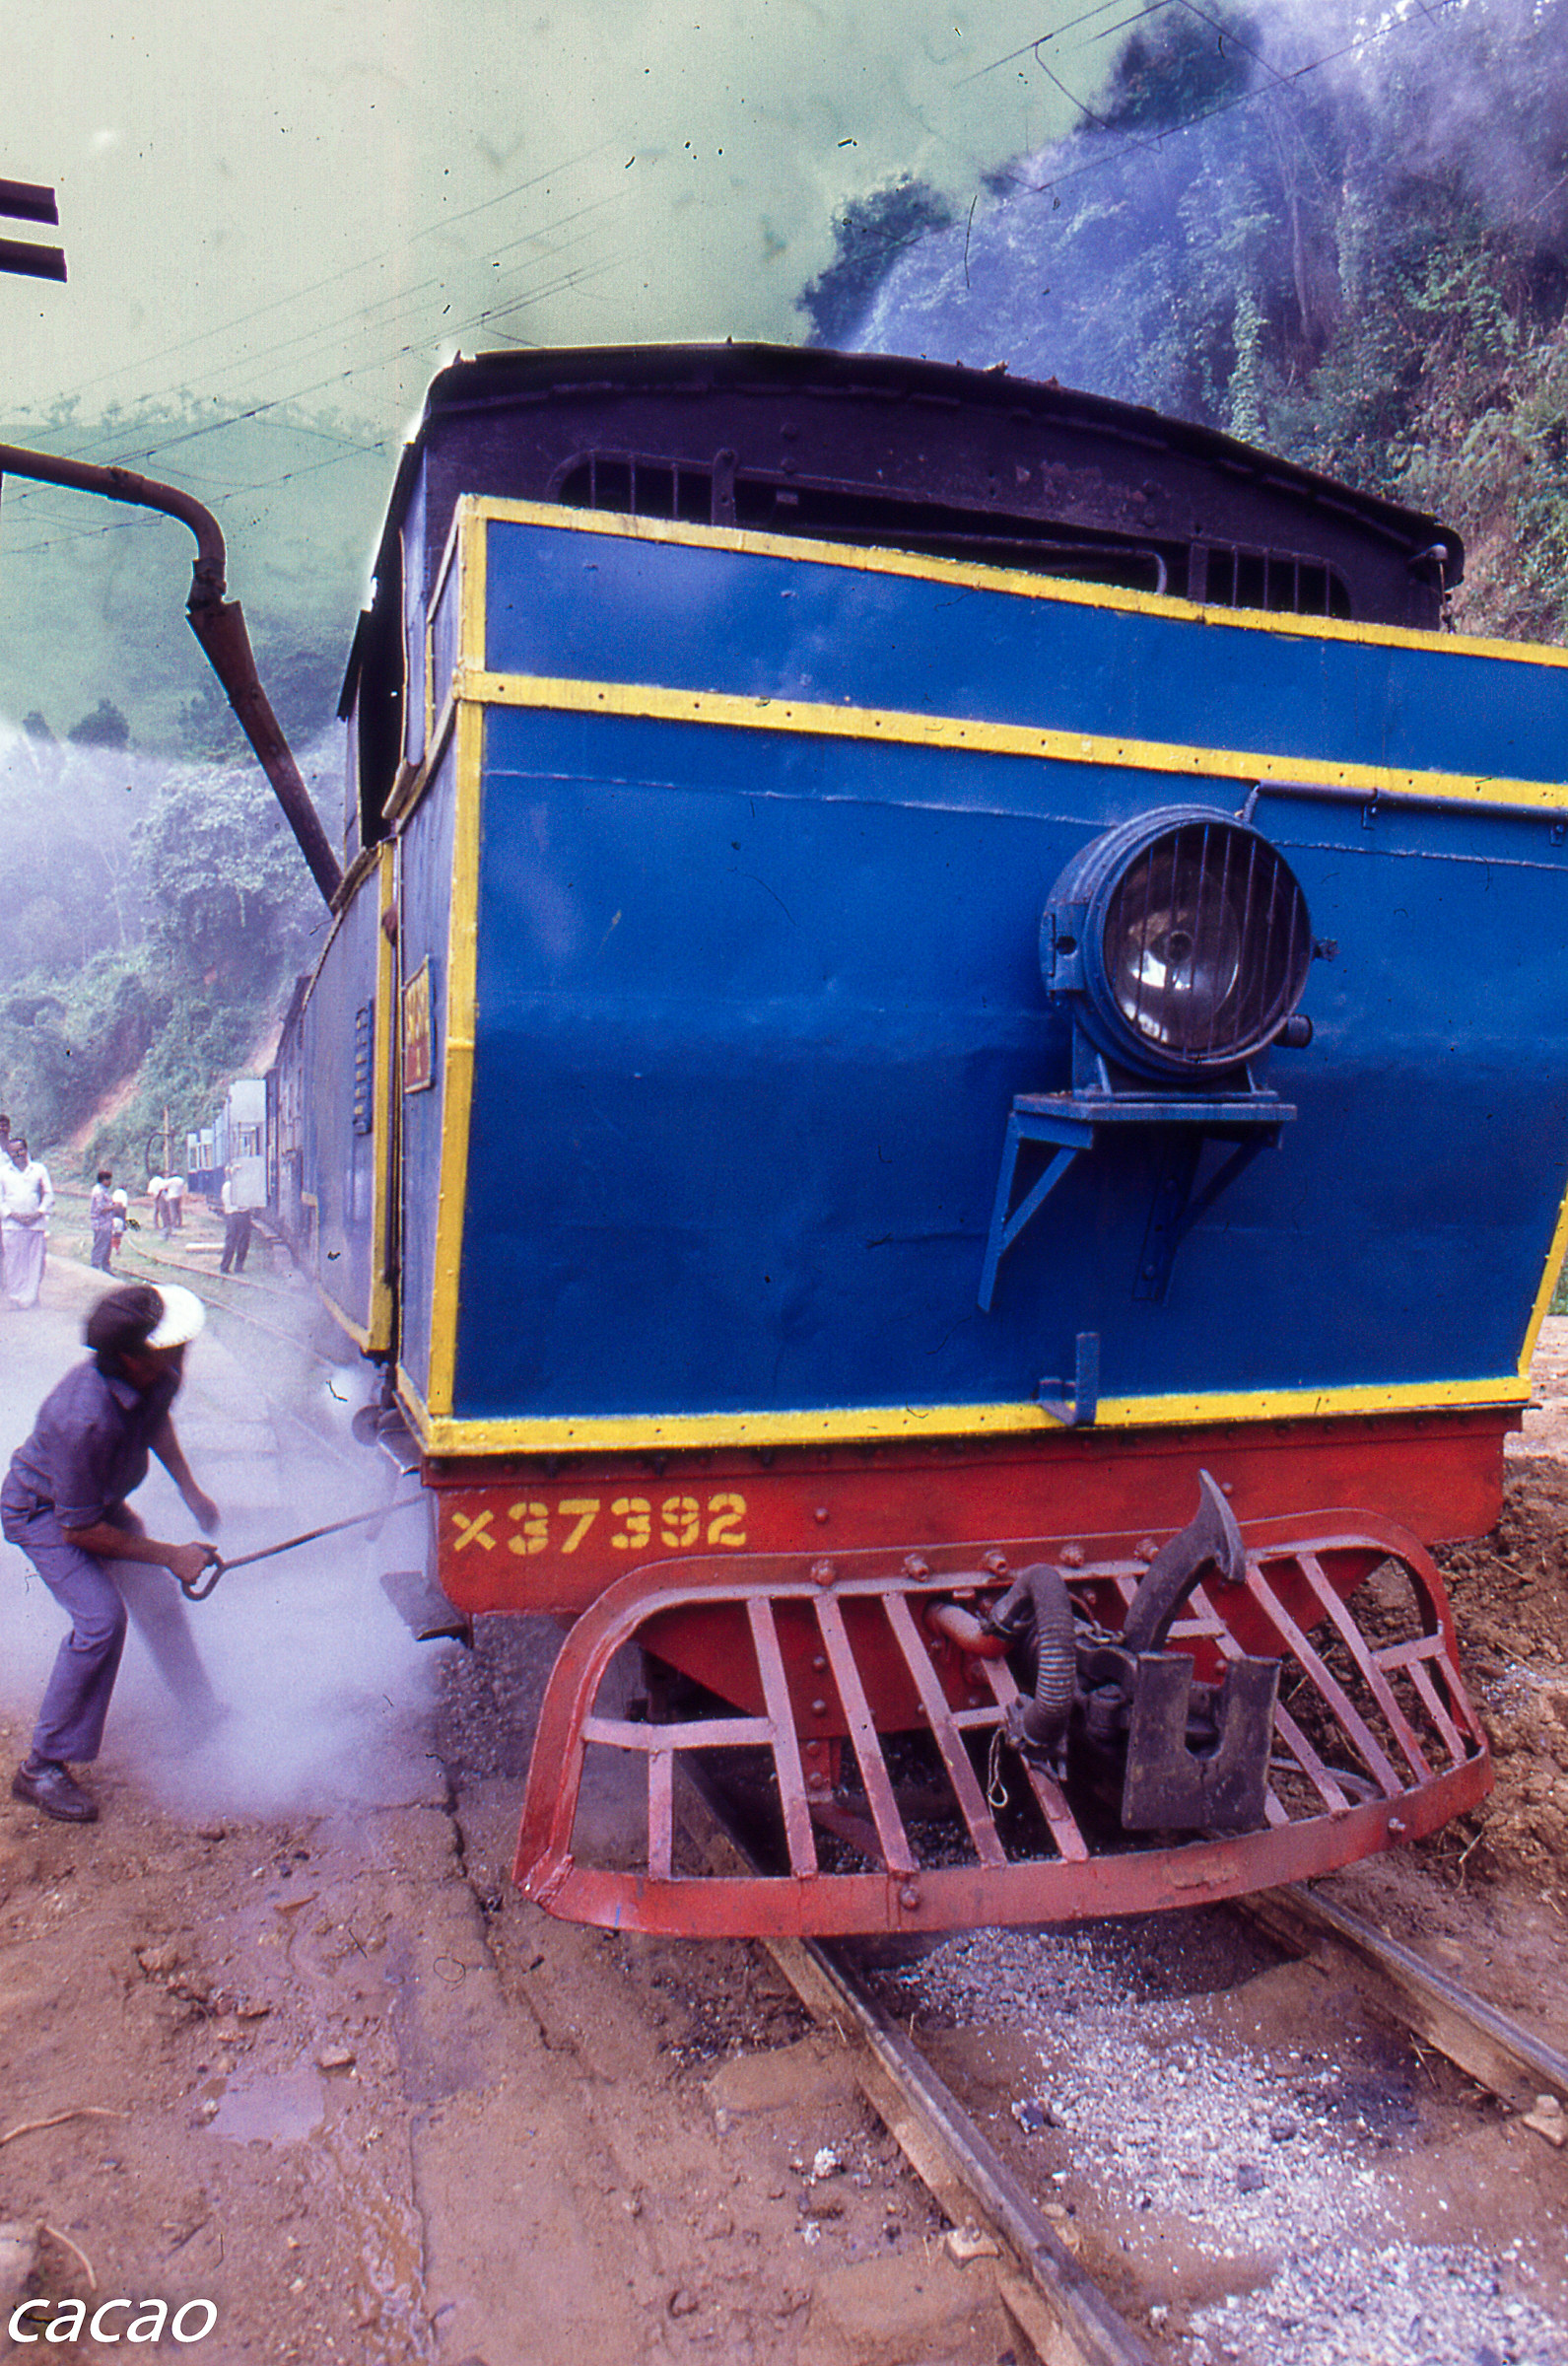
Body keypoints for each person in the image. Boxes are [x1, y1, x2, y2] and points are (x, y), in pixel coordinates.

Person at [2, 1283, 223, 1824]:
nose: (181, 1355)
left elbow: (156, 1423)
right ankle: (40, 1768)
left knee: (158, 1601)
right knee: (101, 1621)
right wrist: (172, 1554)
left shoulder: (157, 1375)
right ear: (129, 1356)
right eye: (170, 1348)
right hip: (47, 1513)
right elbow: (78, 1531)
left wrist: (189, 1490)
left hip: (96, 1505)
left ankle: (202, 1713)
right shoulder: (82, 1419)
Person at [1, 1136, 54, 1309]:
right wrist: (12, 1215)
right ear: (9, 1153)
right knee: (13, 1261)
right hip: (11, 1225)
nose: (17, 1153)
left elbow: (48, 1194)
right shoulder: (3, 1172)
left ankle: (30, 1299)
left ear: (26, 1150)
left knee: (34, 1262)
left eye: (20, 1150)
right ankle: (15, 1297)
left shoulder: (39, 1170)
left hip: (35, 1225)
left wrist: (38, 1213)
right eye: (13, 1151)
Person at [219, 1167, 253, 1275]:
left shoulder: (226, 1186)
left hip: (231, 1216)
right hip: (242, 1215)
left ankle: (225, 1266)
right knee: (243, 1242)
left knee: (230, 1241)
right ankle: (238, 1266)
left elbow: (224, 1200)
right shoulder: (241, 1185)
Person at [89, 1168, 115, 1272]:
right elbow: (101, 1208)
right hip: (100, 1224)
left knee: (107, 1247)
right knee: (100, 1245)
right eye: (108, 1180)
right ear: (103, 1180)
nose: (110, 1182)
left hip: (106, 1224)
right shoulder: (98, 1191)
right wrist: (115, 1207)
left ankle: (105, 1267)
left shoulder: (104, 1190)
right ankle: (95, 1267)